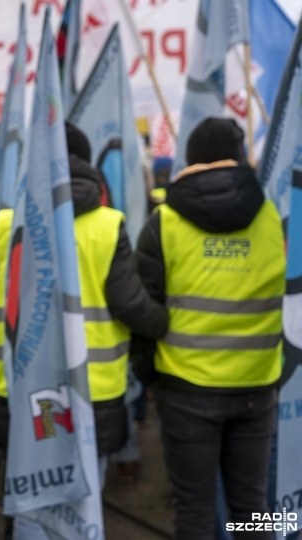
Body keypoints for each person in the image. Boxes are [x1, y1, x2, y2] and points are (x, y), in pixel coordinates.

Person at [0, 123, 168, 538]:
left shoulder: (9, 223)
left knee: (29, 493)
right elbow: (130, 304)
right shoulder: (107, 225)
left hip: (25, 388)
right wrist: (166, 325)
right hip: (90, 389)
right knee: (81, 500)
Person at [135, 117, 284, 540]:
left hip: (186, 388)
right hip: (257, 386)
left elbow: (147, 308)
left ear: (191, 159)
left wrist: (147, 375)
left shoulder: (164, 221)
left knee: (194, 511)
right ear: (238, 158)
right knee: (252, 511)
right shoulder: (273, 217)